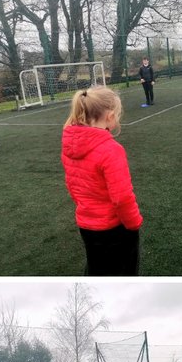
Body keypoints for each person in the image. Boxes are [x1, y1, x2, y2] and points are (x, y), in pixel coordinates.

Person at [61, 87, 143, 276]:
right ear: (110, 116)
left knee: (97, 267)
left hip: (86, 226)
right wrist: (134, 223)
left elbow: (72, 185)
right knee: (124, 271)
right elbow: (122, 198)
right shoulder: (111, 149)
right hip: (114, 228)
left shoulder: (69, 143)